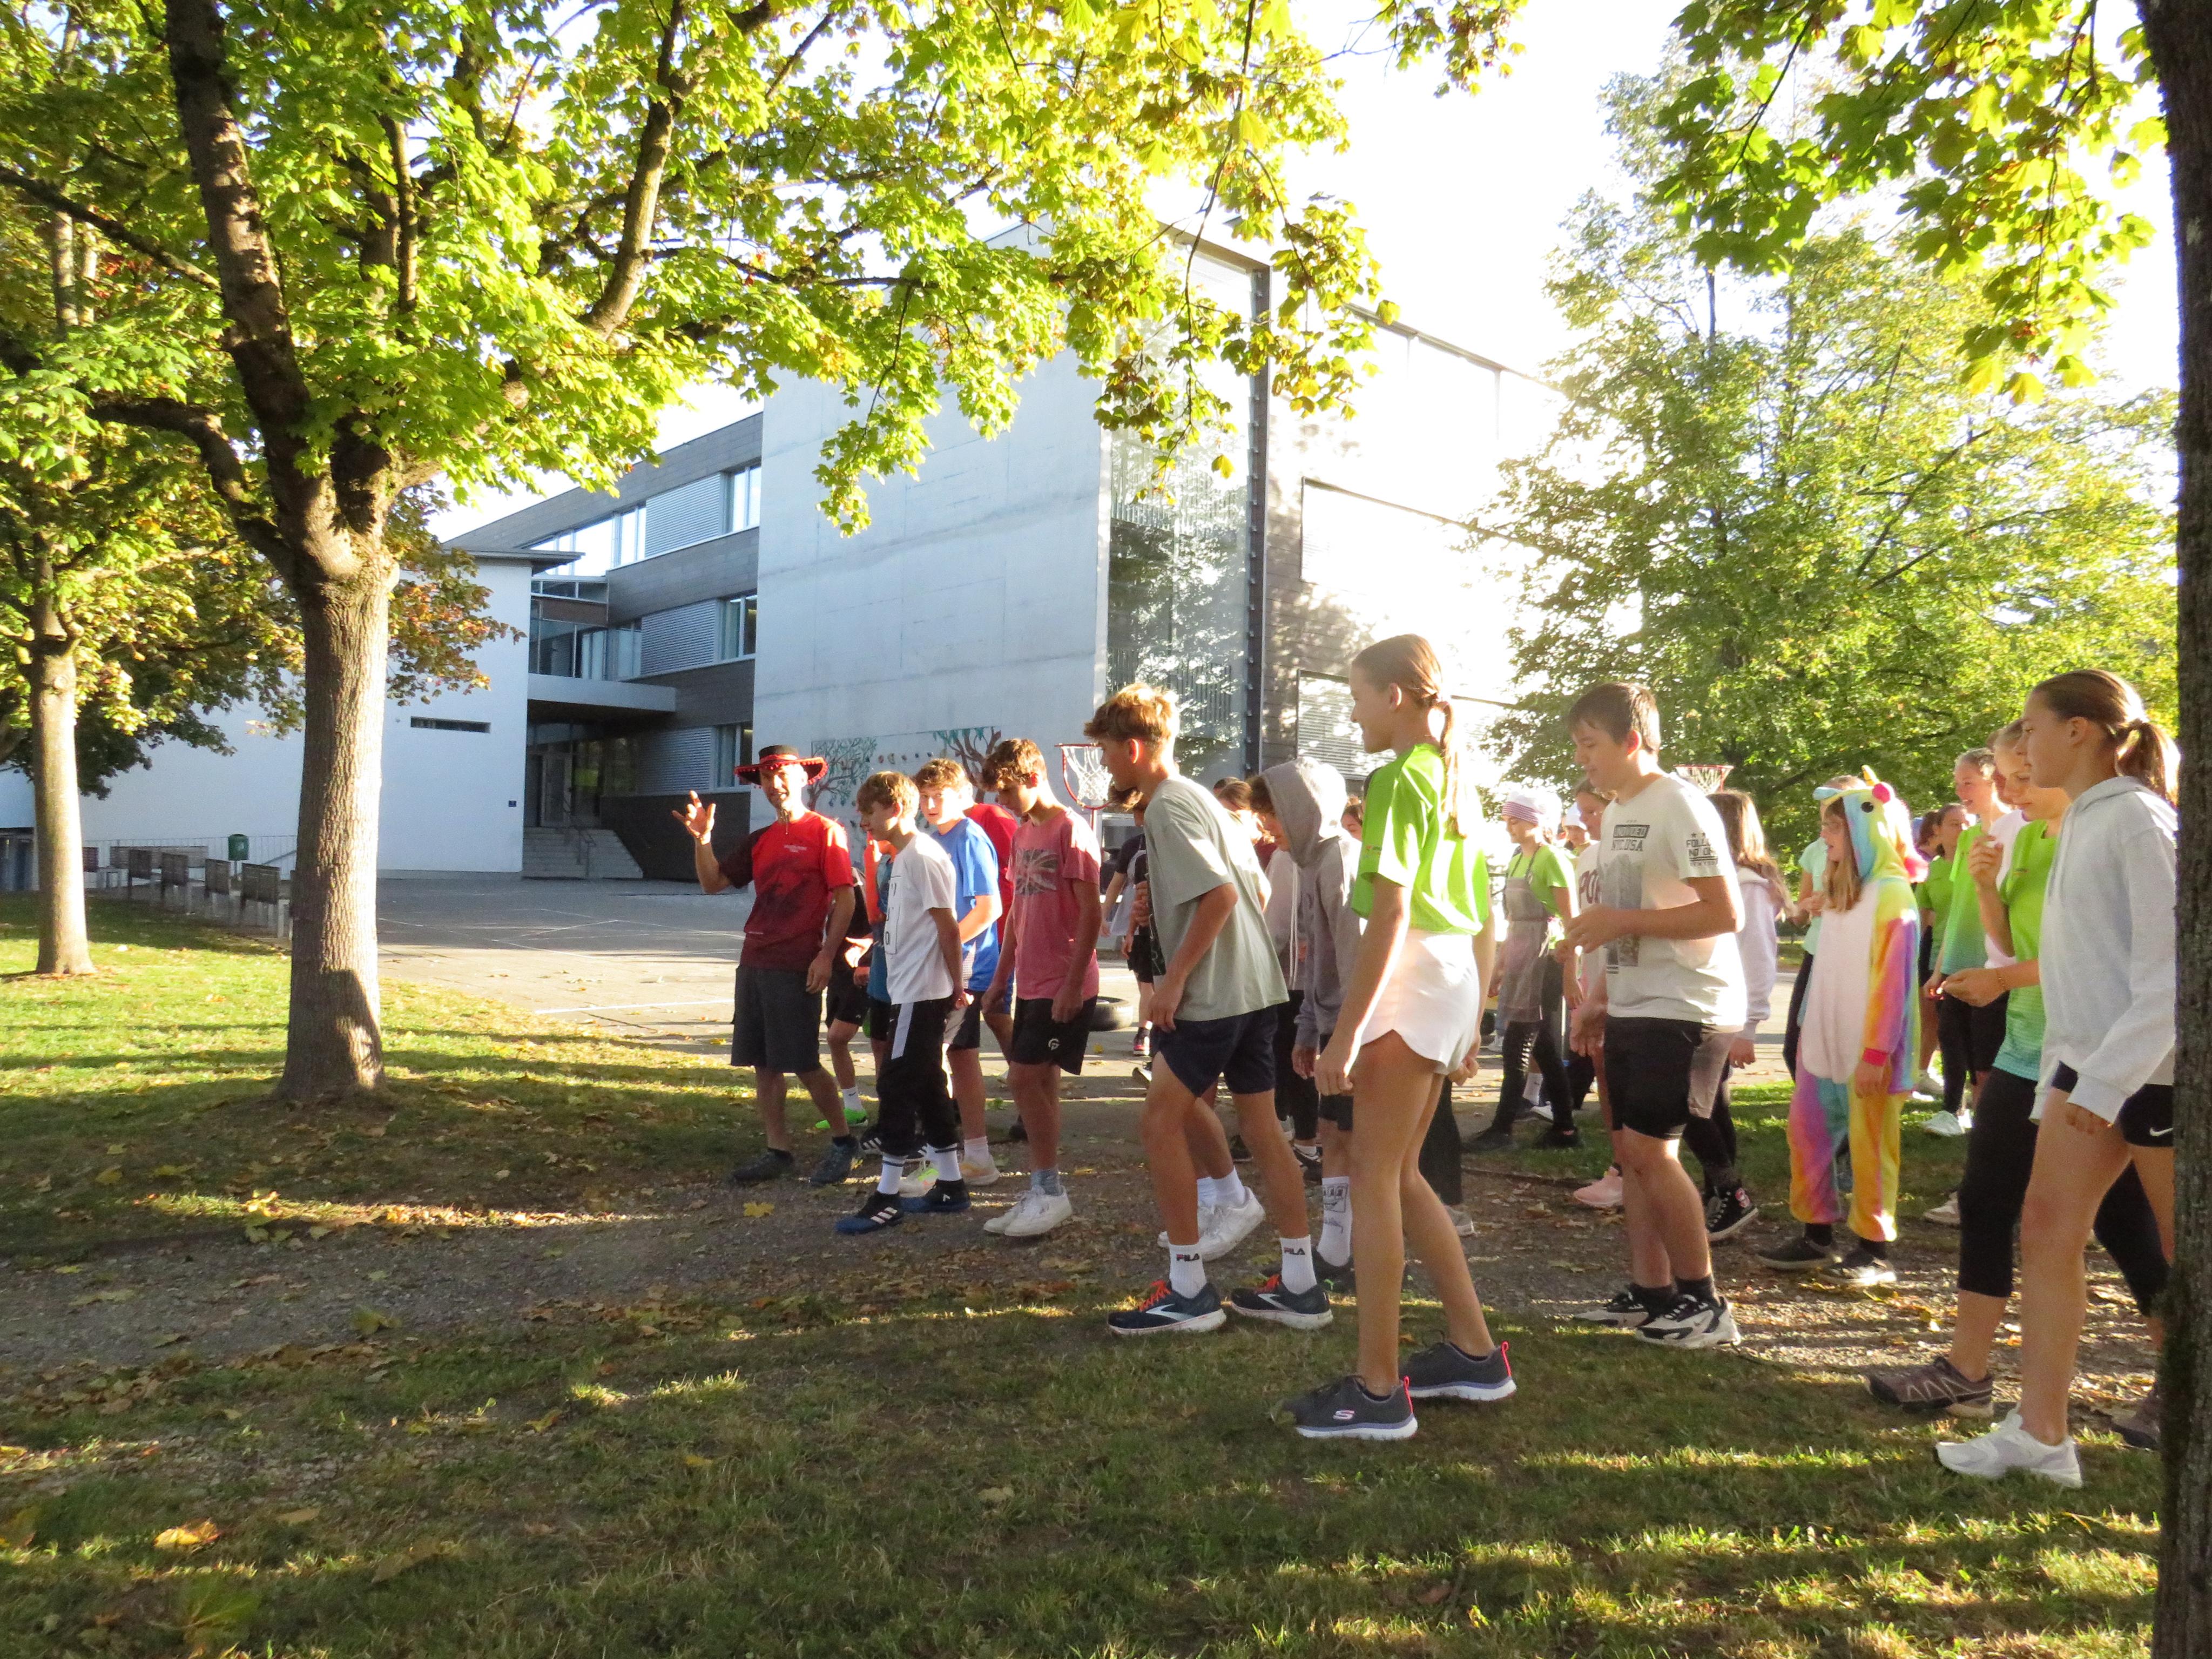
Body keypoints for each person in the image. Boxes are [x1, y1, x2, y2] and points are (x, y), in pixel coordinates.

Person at [1867, 733, 2168, 1429]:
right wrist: (1982, 887)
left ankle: (2176, 1377)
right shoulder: (2029, 839)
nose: (2008, 790)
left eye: (2020, 775)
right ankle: (1967, 1373)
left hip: (2109, 1057)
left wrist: (2003, 981)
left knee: (2127, 1226)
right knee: (1988, 1203)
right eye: (2002, 776)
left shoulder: (2112, 830)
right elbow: (2013, 947)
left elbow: (2106, 961)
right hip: (2033, 1048)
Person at [1937, 671, 2177, 1485]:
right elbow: (2080, 973)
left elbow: (2172, 973)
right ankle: (2042, 1434)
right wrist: (2064, 1081)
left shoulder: (2138, 819)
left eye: (2032, 727)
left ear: (2079, 731)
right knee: (2044, 1228)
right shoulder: (2082, 819)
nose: (2021, 745)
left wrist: (2105, 1083)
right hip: (2091, 1069)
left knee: (2182, 1253)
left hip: (2153, 1074)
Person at [1282, 635, 1506, 1440]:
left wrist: (1345, 1034)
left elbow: (1393, 914)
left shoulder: (1400, 779)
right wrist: (1470, 1015)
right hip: (1443, 980)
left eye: (1356, 697)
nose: (1353, 713)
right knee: (1404, 1175)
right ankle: (1475, 1354)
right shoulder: (1452, 777)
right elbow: (1482, 920)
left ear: (1395, 697)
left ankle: (1378, 1392)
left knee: (1376, 1177)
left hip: (1410, 980)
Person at [1085, 685, 1320, 1339]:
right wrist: (1163, 907)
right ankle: (1301, 1283)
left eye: (1106, 751)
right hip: (1256, 989)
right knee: (1263, 1129)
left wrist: (1174, 980)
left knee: (1159, 1123)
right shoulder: (1201, 800)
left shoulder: (1166, 804)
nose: (1104, 763)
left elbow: (1219, 896)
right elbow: (1253, 889)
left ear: (1134, 749)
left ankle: (1188, 1290)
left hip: (1212, 998)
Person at [1560, 684, 1746, 1350]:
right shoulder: (1615, 813)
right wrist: (1600, 1000)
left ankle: (1706, 1302)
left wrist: (1621, 923)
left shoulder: (1680, 804)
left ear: (1632, 741)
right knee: (1630, 1154)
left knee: (1649, 1151)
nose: (1581, 759)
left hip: (1688, 1004)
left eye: (1589, 744)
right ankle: (1652, 1293)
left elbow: (1725, 913)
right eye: (1577, 745)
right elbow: (1620, 921)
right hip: (1635, 1004)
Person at [1753, 776, 1923, 1286]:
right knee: (1807, 1132)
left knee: (1872, 1146)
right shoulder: (1841, 894)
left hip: (1869, 1051)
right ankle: (1816, 1234)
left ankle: (1874, 1248)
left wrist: (1877, 1054)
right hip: (1823, 1042)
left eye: (1834, 828)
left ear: (1865, 832)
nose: (1824, 836)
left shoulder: (1893, 897)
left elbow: (1894, 986)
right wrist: (1808, 1029)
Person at [676, 745, 858, 1187]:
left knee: (804, 1062)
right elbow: (713, 883)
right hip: (755, 961)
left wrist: (826, 955)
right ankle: (779, 1151)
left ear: (803, 778)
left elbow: (846, 898)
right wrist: (702, 840)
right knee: (764, 1063)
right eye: (766, 777)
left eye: (782, 774)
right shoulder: (761, 839)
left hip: (798, 965)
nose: (775, 784)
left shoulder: (826, 832)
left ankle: (844, 1142)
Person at [834, 771, 972, 1233]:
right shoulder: (904, 857)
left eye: (868, 812)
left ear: (895, 809)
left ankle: (887, 1195)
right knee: (929, 1085)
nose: (863, 821)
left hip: (922, 993)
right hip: (908, 989)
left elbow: (948, 926)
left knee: (895, 1085)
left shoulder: (922, 857)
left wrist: (957, 984)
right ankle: (950, 1185)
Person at [979, 737, 1103, 1239]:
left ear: (1033, 778)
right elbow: (1017, 914)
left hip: (1064, 982)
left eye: (1008, 791)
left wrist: (1072, 985)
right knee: (1042, 1082)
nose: (1003, 802)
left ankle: (1049, 1189)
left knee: (1022, 1079)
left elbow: (1092, 913)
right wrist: (1000, 978)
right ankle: (1043, 1190)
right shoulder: (1023, 831)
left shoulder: (1071, 830)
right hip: (1030, 980)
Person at [1261, 757, 1361, 1289]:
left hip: (1356, 1029)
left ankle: (1365, 1256)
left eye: (1275, 812)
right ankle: (1335, 1250)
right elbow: (1313, 956)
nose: (1268, 825)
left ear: (1307, 808)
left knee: (1359, 1142)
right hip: (1331, 1024)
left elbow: (1353, 958)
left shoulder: (1340, 859)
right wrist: (1307, 1027)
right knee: (1332, 1135)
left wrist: (1344, 1037)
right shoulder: (1307, 861)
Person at [913, 758, 1006, 1187]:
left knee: (944, 1058)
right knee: (954, 1058)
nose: (931, 804)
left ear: (962, 797)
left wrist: (945, 948)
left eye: (939, 796)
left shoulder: (969, 836)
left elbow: (989, 908)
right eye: (925, 797)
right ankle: (966, 1155)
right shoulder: (933, 839)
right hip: (943, 965)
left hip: (966, 967)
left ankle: (957, 1158)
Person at [1473, 787, 1577, 1151]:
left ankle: (1502, 1130)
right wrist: (1500, 966)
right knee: (1544, 1047)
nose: (1509, 827)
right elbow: (1515, 921)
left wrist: (1571, 974)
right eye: (1507, 820)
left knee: (1517, 1044)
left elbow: (1571, 920)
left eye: (1515, 821)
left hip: (1544, 959)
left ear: (1537, 821)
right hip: (1520, 955)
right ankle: (1566, 1129)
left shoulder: (1553, 859)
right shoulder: (1518, 860)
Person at [1696, 789, 1776, 1242]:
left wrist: (1750, 1026)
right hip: (1707, 1003)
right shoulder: (1727, 881)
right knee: (1710, 1104)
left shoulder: (1748, 887)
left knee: (1696, 1103)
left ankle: (1732, 1193)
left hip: (1724, 1010)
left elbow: (1759, 958)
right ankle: (1719, 1190)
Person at [1925, 747, 2005, 1137]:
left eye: (1968, 782)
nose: (1961, 791)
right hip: (1958, 961)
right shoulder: (1969, 837)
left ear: (1994, 780)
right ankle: (1954, 1113)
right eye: (1957, 783)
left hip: (1995, 965)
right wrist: (1939, 969)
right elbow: (1958, 908)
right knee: (1952, 1041)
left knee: (1986, 1057)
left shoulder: (2017, 832)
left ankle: (1987, 1130)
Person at [1249, 773, 1324, 1178]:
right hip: (1313, 979)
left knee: (1294, 1061)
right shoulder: (1319, 851)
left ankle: (1305, 1142)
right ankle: (1305, 1139)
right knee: (1299, 1061)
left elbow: (1275, 927)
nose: (1266, 824)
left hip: (1294, 982)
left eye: (1272, 814)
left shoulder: (1289, 858)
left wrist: (1253, 967)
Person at [1781, 774, 1860, 1082]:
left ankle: (1838, 1104)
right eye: (1825, 804)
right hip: (1817, 950)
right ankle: (1811, 1102)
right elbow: (1801, 912)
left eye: (1837, 802)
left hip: (1850, 958)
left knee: (1840, 1044)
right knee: (1795, 1043)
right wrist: (1803, 906)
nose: (1828, 808)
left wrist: (1833, 902)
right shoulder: (1816, 849)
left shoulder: (1869, 853)